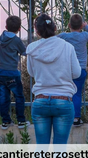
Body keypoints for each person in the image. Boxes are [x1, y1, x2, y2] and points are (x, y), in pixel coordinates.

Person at [27, 14, 81, 144]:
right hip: (63, 100)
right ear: (55, 28)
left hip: (40, 100)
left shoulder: (31, 49)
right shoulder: (68, 47)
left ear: (37, 31)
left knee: (41, 148)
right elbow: (77, 73)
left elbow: (31, 72)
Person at [57, 13, 88, 126]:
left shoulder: (65, 36)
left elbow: (52, 40)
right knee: (77, 93)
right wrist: (86, 26)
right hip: (80, 70)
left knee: (65, 93)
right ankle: (76, 118)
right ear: (81, 26)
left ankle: (64, 117)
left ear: (69, 25)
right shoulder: (84, 35)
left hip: (67, 70)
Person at [0, 15, 28, 130]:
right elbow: (24, 52)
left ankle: (5, 121)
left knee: (4, 97)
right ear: (19, 29)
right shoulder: (16, 40)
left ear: (6, 26)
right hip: (12, 72)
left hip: (1, 72)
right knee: (19, 96)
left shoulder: (0, 38)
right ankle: (21, 120)